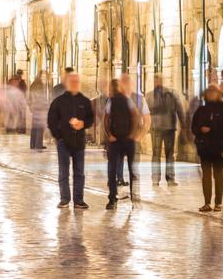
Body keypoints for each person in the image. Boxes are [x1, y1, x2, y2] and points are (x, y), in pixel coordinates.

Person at [46, 70, 94, 208]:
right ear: (67, 84)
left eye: (76, 82)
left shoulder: (84, 101)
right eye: (72, 82)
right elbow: (52, 120)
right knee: (64, 171)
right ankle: (65, 198)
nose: (74, 84)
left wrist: (83, 124)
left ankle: (78, 199)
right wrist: (59, 136)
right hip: (64, 142)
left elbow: (90, 118)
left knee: (79, 172)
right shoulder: (59, 102)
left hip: (79, 141)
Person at [192, 84, 223, 212]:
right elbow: (194, 126)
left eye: (213, 92)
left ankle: (218, 203)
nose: (211, 94)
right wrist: (200, 130)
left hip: (218, 148)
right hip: (205, 147)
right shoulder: (201, 110)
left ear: (218, 94)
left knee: (218, 175)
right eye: (209, 92)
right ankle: (207, 202)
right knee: (206, 175)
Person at [103, 77, 144, 209]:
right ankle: (128, 197)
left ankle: (114, 199)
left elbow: (106, 119)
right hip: (124, 139)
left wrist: (110, 135)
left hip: (120, 139)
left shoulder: (116, 101)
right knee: (128, 168)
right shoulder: (125, 100)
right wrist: (132, 134)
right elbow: (135, 116)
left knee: (114, 169)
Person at [145, 75, 182, 184]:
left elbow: (179, 109)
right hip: (158, 128)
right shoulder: (150, 96)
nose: (157, 82)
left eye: (158, 80)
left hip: (167, 128)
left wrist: (183, 125)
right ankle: (158, 178)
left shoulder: (171, 94)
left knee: (167, 154)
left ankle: (167, 178)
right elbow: (145, 113)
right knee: (158, 154)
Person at [27, 75, 50, 150]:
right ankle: (38, 144)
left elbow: (29, 98)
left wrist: (31, 106)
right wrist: (46, 106)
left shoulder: (32, 86)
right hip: (40, 108)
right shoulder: (40, 86)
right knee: (40, 127)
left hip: (34, 108)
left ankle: (32, 144)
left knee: (34, 127)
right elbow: (41, 98)